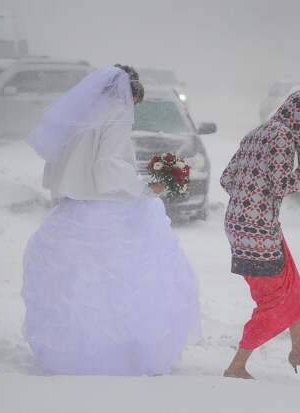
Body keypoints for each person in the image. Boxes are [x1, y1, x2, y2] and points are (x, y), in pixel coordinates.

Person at [22, 64, 200, 375]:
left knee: (81, 286)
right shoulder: (117, 114)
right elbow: (107, 166)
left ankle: (75, 355)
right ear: (128, 96)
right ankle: (122, 356)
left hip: (74, 212)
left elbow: (66, 164)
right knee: (125, 284)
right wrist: (146, 185)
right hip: (109, 212)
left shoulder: (82, 117)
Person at [220, 88, 300, 379]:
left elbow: (227, 178)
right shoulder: (282, 137)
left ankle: (299, 349)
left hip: (243, 224)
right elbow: (280, 186)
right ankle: (236, 366)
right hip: (258, 231)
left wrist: (249, 196)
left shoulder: (257, 133)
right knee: (275, 301)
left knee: (292, 283)